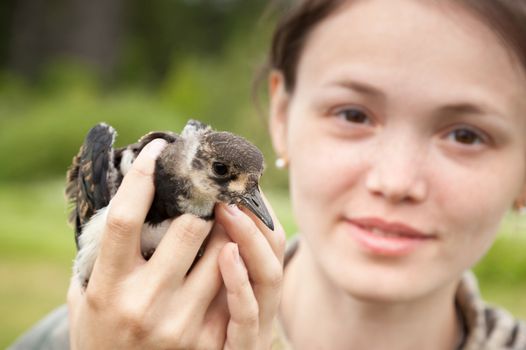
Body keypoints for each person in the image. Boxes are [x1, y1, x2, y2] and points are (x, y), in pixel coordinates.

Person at [9, 0, 526, 349]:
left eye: (466, 134)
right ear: (280, 116)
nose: (394, 181)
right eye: (353, 114)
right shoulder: (79, 337)